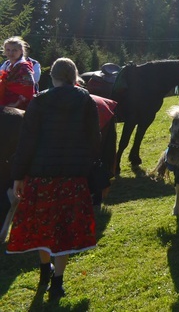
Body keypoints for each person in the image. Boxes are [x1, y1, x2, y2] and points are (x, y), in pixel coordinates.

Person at [6, 58, 101, 301]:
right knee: (66, 230)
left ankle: (44, 270)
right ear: (74, 75)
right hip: (73, 177)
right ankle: (57, 281)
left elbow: (27, 142)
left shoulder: (40, 101)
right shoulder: (86, 100)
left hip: (42, 176)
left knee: (42, 226)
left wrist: (18, 176)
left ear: (52, 77)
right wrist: (89, 171)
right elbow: (94, 140)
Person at [0, 36, 36, 109]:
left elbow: (29, 87)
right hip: (5, 104)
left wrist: (15, 104)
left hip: (18, 108)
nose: (11, 53)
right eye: (8, 50)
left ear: (21, 51)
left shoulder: (24, 67)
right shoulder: (7, 65)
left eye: (14, 50)